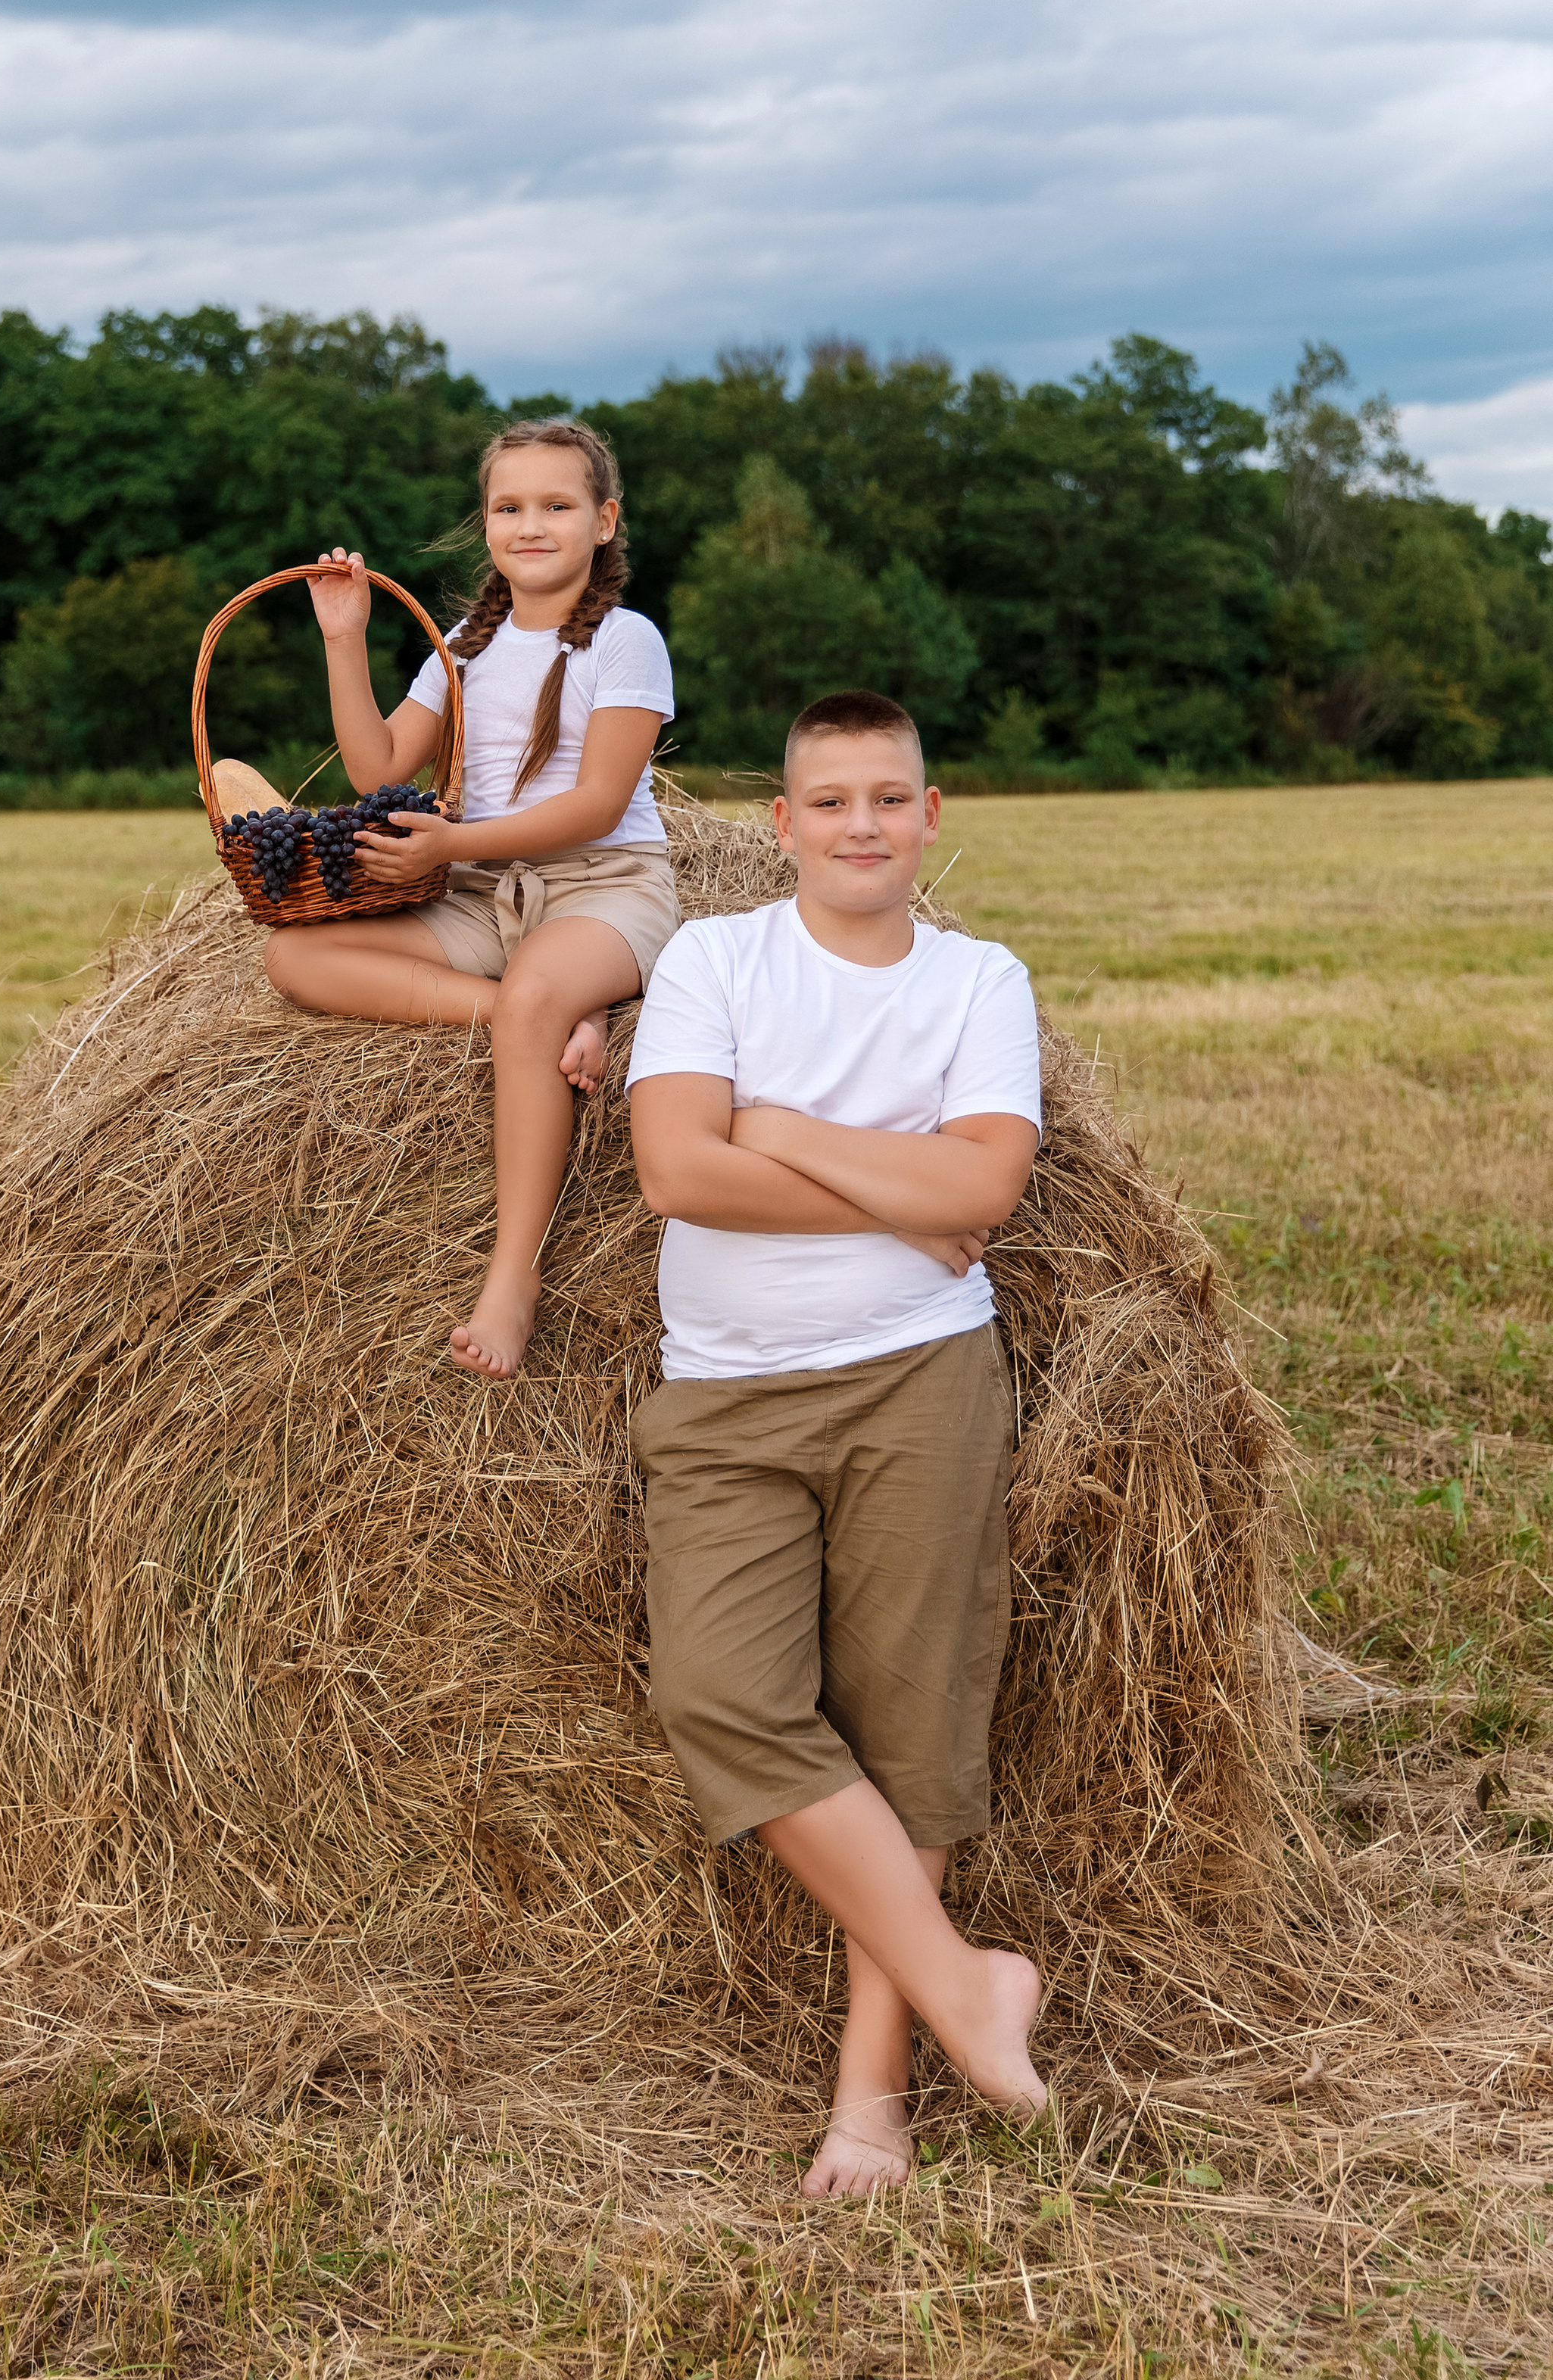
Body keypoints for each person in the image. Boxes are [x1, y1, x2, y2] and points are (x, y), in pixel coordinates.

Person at [625, 687, 1047, 2193]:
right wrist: (897, 1187)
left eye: (886, 799)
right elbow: (677, 1172)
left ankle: (871, 2098)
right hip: (725, 1396)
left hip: (917, 1383)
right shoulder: (711, 959)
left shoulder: (980, 980)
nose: (859, 825)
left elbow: (979, 1194)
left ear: (928, 818)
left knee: (908, 1730)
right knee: (720, 1696)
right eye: (829, 800)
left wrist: (782, 1129)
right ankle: (964, 1985)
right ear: (784, 824)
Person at [262, 418, 679, 1379]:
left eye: (556, 506)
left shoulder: (626, 641)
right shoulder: (461, 645)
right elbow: (377, 768)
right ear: (485, 523)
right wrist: (344, 637)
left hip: (605, 886)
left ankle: (512, 1279)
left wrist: (451, 844)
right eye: (508, 507)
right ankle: (538, 1018)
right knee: (294, 955)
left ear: (604, 521)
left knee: (538, 989)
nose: (530, 525)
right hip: (485, 895)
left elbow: (597, 804)